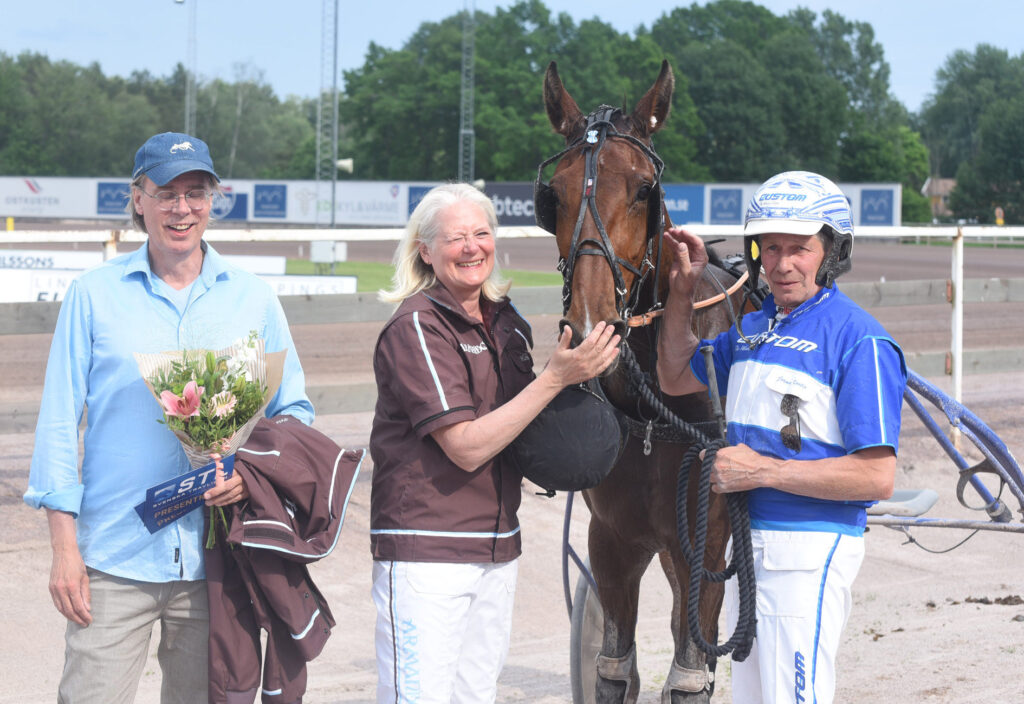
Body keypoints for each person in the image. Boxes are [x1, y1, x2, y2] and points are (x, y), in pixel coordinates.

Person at [24, 132, 314, 704]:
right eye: (166, 193)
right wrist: (64, 549)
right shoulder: (92, 294)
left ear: (213, 199)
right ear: (139, 199)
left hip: (219, 560)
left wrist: (245, 474)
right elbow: (58, 424)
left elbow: (295, 414)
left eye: (196, 192)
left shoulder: (253, 298)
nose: (182, 208)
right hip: (113, 557)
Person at [656, 171, 907, 704]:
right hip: (748, 549)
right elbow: (674, 376)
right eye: (771, 248)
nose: (782, 263)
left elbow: (878, 477)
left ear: (831, 251)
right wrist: (681, 294)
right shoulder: (752, 328)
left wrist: (764, 472)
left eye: (799, 248)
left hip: (807, 551)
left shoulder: (859, 338)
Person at [369, 183, 620, 703]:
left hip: (497, 549)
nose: (471, 247)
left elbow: (525, 426)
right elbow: (463, 445)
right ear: (426, 250)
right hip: (427, 556)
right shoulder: (418, 325)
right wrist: (554, 379)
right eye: (455, 237)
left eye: (481, 233)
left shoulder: (506, 322)